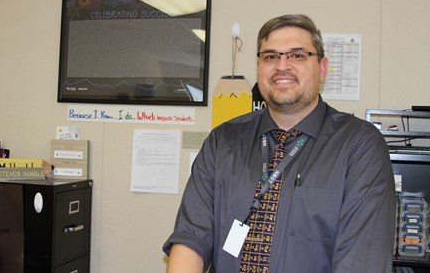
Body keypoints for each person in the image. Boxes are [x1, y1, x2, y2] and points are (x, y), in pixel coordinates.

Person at [163, 14, 396, 273]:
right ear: (259, 67)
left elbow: (362, 262)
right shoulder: (222, 142)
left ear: (322, 68)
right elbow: (190, 240)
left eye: (297, 55)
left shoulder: (360, 146)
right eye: (271, 56)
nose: (282, 66)